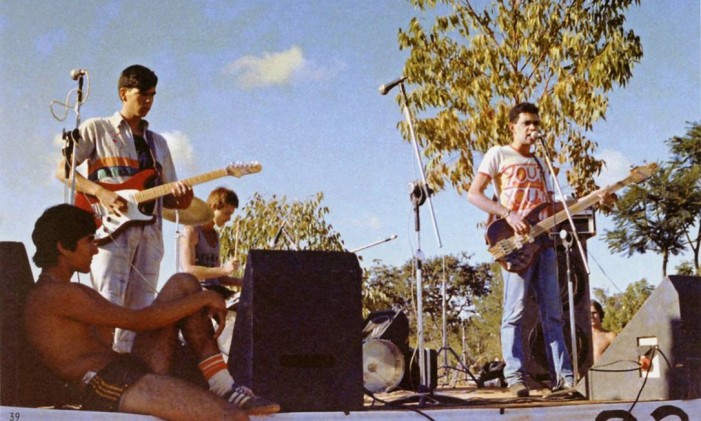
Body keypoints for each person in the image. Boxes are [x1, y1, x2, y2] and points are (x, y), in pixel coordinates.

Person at [25, 204, 280, 420]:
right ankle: (222, 392)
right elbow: (139, 321)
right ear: (62, 247)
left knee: (183, 283)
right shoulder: (54, 294)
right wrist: (206, 297)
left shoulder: (68, 290)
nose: (95, 249)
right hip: (105, 385)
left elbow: (106, 337)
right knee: (231, 416)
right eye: (89, 241)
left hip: (125, 370)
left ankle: (222, 383)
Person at [56, 64, 194, 353]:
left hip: (149, 234)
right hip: (108, 230)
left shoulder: (158, 143)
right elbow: (63, 170)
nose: (148, 101)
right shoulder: (97, 128)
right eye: (142, 94)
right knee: (106, 304)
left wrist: (180, 199)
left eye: (153, 95)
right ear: (123, 93)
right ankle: (100, 375)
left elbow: (168, 196)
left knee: (142, 311)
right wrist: (100, 192)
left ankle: (130, 378)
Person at [467, 102, 579, 397]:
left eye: (536, 124)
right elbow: (473, 194)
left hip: (543, 244)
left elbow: (549, 207)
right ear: (512, 126)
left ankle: (565, 378)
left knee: (553, 314)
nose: (533, 129)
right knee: (514, 313)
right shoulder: (498, 154)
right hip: (515, 244)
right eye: (527, 123)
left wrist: (592, 198)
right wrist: (507, 214)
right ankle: (515, 377)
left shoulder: (542, 164)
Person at [180, 186, 242, 288]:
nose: (229, 219)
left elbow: (218, 277)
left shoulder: (216, 235)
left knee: (248, 300)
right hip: (197, 290)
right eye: (226, 213)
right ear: (213, 207)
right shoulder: (192, 230)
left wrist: (245, 282)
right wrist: (224, 270)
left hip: (215, 289)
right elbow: (188, 270)